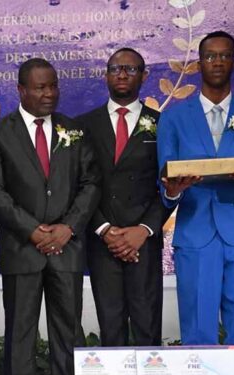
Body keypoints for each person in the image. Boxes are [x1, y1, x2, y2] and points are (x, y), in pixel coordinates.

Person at [0, 58, 100, 375]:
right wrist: (31, 230)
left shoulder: (74, 130)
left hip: (66, 248)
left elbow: (91, 183)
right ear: (21, 90)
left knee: (69, 332)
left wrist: (68, 227)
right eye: (41, 87)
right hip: (22, 249)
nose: (50, 94)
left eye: (54, 86)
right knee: (20, 335)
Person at [158, 31, 234, 345]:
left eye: (224, 55)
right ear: (198, 63)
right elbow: (164, 183)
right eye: (210, 56)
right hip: (195, 230)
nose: (217, 62)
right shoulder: (173, 118)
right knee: (197, 333)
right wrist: (174, 189)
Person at [76, 48, 169, 346]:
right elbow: (77, 185)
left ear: (144, 75)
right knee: (111, 328)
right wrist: (105, 229)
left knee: (147, 326)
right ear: (106, 76)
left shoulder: (163, 123)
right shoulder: (83, 125)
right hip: (103, 240)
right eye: (116, 68)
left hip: (144, 241)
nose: (122, 74)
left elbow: (171, 185)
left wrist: (144, 229)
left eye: (131, 68)